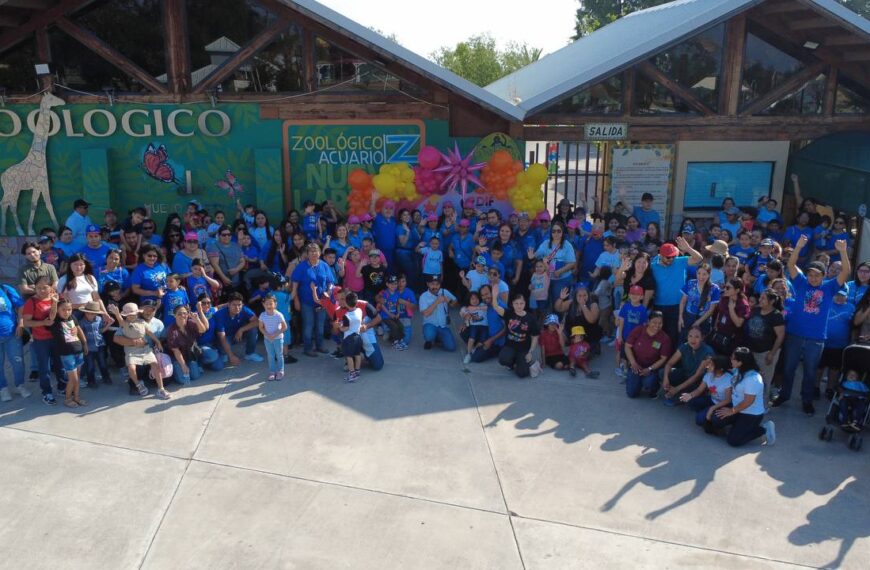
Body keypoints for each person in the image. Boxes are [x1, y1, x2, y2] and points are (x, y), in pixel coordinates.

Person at [773, 236, 850, 416]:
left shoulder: (829, 288)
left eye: (817, 275)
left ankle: (807, 400)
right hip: (795, 334)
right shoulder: (800, 283)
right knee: (789, 368)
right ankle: (784, 395)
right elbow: (791, 265)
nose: (813, 278)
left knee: (810, 371)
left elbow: (845, 271)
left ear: (823, 276)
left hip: (816, 339)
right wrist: (798, 247)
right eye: (811, 274)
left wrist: (843, 251)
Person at [708, 348, 775, 447]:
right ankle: (738, 427)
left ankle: (763, 429)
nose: (730, 359)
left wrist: (731, 411)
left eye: (733, 358)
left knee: (733, 441)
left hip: (751, 414)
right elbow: (726, 368)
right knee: (716, 419)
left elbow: (748, 401)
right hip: (737, 409)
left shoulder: (753, 379)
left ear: (740, 362)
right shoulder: (738, 369)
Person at [110, 302, 170, 399]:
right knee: (132, 368)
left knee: (156, 365)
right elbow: (120, 325)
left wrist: (158, 342)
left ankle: (161, 389)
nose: (131, 316)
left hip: (146, 349)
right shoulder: (125, 324)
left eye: (133, 314)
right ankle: (138, 384)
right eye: (128, 315)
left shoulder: (143, 322)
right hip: (131, 351)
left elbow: (150, 333)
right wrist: (117, 314)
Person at [650, 236, 703, 345]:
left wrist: (688, 248)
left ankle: (671, 360)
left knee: (673, 334)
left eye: (673, 256)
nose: (671, 259)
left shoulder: (680, 261)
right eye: (668, 257)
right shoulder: (653, 266)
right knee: (658, 334)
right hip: (659, 306)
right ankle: (660, 357)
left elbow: (699, 258)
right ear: (661, 255)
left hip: (677, 306)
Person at [291, 242, 335, 357]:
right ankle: (308, 348)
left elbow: (331, 282)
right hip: (306, 302)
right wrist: (296, 300)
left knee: (320, 325)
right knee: (308, 325)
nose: (313, 253)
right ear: (307, 254)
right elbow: (294, 285)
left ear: (320, 253)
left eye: (316, 251)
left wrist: (329, 291)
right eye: (311, 251)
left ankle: (320, 346)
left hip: (322, 301)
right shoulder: (301, 266)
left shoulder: (324, 265)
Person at [22, 277, 61, 405]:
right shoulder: (31, 302)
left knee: (60, 365)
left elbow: (59, 316)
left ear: (51, 287)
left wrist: (55, 303)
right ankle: (47, 392)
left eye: (45, 287)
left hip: (56, 338)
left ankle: (62, 387)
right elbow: (27, 322)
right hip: (41, 340)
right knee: (44, 368)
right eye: (38, 288)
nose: (41, 290)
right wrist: (43, 322)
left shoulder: (56, 297)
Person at [744, 290, 786, 404]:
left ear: (771, 301)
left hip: (766, 352)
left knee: (765, 380)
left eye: (763, 298)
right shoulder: (756, 310)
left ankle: (763, 404)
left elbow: (780, 335)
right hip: (752, 350)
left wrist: (772, 353)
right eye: (760, 297)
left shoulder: (776, 316)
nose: (760, 300)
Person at [661, 327, 714, 406]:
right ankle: (673, 391)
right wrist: (665, 378)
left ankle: (677, 393)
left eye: (697, 337)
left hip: (698, 382)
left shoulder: (708, 352)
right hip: (686, 375)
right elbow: (669, 364)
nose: (693, 339)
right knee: (662, 372)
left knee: (692, 402)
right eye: (690, 336)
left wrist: (677, 389)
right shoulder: (685, 346)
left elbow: (697, 376)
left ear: (702, 338)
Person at [624, 311, 672, 398]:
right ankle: (634, 380)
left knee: (648, 383)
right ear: (648, 321)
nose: (657, 326)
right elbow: (627, 346)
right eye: (654, 322)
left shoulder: (665, 338)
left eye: (660, 323)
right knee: (631, 394)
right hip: (636, 365)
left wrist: (649, 369)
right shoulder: (638, 330)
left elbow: (663, 358)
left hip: (652, 369)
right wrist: (633, 363)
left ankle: (654, 389)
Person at [492, 293, 540, 378]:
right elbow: (496, 307)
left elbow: (535, 336)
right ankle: (513, 362)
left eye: (521, 303)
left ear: (525, 303)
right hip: (510, 346)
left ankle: (522, 361)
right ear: (512, 304)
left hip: (523, 348)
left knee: (522, 374)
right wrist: (494, 296)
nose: (519, 306)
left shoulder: (531, 318)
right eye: (516, 303)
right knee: (503, 359)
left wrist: (530, 352)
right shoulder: (508, 313)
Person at [678, 354, 734, 428]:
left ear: (720, 369)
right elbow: (699, 390)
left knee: (699, 420)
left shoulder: (728, 379)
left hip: (723, 404)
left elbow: (728, 400)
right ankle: (705, 413)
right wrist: (690, 395)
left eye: (711, 365)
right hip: (712, 399)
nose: (707, 366)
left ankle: (711, 416)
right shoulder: (708, 374)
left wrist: (712, 408)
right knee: (691, 401)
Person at [50, 298, 88, 408]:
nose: (67, 312)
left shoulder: (72, 317)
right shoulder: (55, 320)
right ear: (57, 310)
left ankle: (76, 397)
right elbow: (52, 315)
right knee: (73, 378)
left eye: (69, 309)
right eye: (63, 310)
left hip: (78, 350)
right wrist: (54, 302)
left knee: (78, 376)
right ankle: (67, 399)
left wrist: (84, 343)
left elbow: (79, 329)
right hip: (66, 354)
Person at [165, 302, 209, 385]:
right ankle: (177, 368)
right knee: (182, 380)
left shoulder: (191, 323)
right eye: (179, 314)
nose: (182, 316)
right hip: (177, 357)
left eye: (184, 313)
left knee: (195, 376)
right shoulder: (171, 330)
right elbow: (176, 351)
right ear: (174, 315)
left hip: (190, 354)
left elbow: (202, 330)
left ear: (188, 314)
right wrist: (183, 365)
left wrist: (197, 319)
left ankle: (195, 366)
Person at [459, 284, 505, 364]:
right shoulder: (485, 305)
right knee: (464, 331)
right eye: (482, 295)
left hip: (497, 342)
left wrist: (491, 340)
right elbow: (470, 311)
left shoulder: (500, 306)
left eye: (487, 294)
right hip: (486, 334)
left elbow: (507, 328)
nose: (485, 297)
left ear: (492, 293)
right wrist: (465, 323)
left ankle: (495, 351)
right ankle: (477, 346)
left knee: (476, 357)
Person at [213, 292, 263, 365]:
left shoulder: (244, 309)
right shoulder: (220, 314)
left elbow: (257, 322)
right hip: (224, 338)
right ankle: (224, 353)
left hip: (237, 334)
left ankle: (250, 353)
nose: (237, 307)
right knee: (224, 356)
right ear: (228, 305)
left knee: (253, 329)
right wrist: (231, 356)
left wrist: (241, 330)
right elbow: (222, 337)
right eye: (234, 305)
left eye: (239, 305)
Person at [532, 221, 576, 303]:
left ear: (562, 232)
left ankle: (558, 316)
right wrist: (532, 256)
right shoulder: (546, 243)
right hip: (546, 278)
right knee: (544, 302)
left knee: (558, 302)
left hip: (562, 279)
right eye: (554, 231)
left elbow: (572, 263)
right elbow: (537, 255)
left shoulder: (567, 245)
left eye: (559, 231)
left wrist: (560, 271)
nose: (556, 233)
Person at [0, 280, 28, 402]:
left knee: (18, 362)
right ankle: (3, 388)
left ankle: (19, 385)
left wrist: (21, 323)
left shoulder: (6, 289)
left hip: (12, 333)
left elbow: (21, 306)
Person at [678, 263, 719, 341]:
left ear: (709, 274)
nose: (701, 276)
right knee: (683, 341)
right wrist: (680, 317)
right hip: (688, 317)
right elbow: (683, 301)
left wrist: (698, 322)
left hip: (704, 320)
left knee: (699, 344)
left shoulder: (714, 289)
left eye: (704, 274)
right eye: (699, 273)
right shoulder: (690, 283)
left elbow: (711, 310)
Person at [709, 278, 750, 356]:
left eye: (728, 287)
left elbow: (738, 324)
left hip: (731, 341)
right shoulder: (724, 298)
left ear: (737, 290)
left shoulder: (743, 305)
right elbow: (720, 312)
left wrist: (731, 309)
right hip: (718, 335)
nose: (725, 289)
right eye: (725, 286)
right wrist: (715, 326)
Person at [78, 301, 112, 389]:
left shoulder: (99, 319)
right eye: (89, 313)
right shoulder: (81, 322)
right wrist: (84, 345)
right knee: (90, 365)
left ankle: (106, 377)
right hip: (88, 347)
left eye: (93, 313)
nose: (91, 315)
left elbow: (101, 331)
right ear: (85, 312)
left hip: (100, 345)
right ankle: (91, 381)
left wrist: (109, 324)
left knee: (103, 363)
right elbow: (80, 335)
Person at [419, 275, 458, 351]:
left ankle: (438, 338)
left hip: (443, 326)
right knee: (429, 335)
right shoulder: (423, 296)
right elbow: (425, 314)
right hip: (430, 324)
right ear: (428, 284)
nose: (435, 287)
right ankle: (429, 340)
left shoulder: (444, 291)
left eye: (437, 284)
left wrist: (449, 300)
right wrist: (437, 302)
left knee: (451, 348)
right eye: (432, 284)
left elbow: (455, 303)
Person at [258, 294, 288, 381]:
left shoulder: (279, 315)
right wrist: (267, 335)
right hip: (267, 339)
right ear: (263, 305)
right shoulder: (262, 315)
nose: (269, 306)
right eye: (266, 304)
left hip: (278, 339)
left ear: (275, 304)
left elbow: (284, 327)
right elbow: (261, 327)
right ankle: (272, 371)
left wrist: (274, 335)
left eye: (271, 303)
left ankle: (280, 371)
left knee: (279, 355)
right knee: (270, 355)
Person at [207, 225, 245, 292]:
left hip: (237, 281)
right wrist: (224, 278)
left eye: (229, 234)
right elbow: (214, 264)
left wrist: (236, 269)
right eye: (224, 235)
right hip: (223, 283)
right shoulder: (213, 246)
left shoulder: (235, 245)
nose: (226, 237)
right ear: (219, 235)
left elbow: (242, 261)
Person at [339, 291, 364, 383]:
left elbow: (345, 328)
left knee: (349, 356)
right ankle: (357, 371)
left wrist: (340, 327)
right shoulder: (359, 311)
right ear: (356, 302)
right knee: (357, 354)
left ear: (346, 303)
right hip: (358, 336)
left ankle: (352, 373)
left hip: (349, 339)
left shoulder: (347, 316)